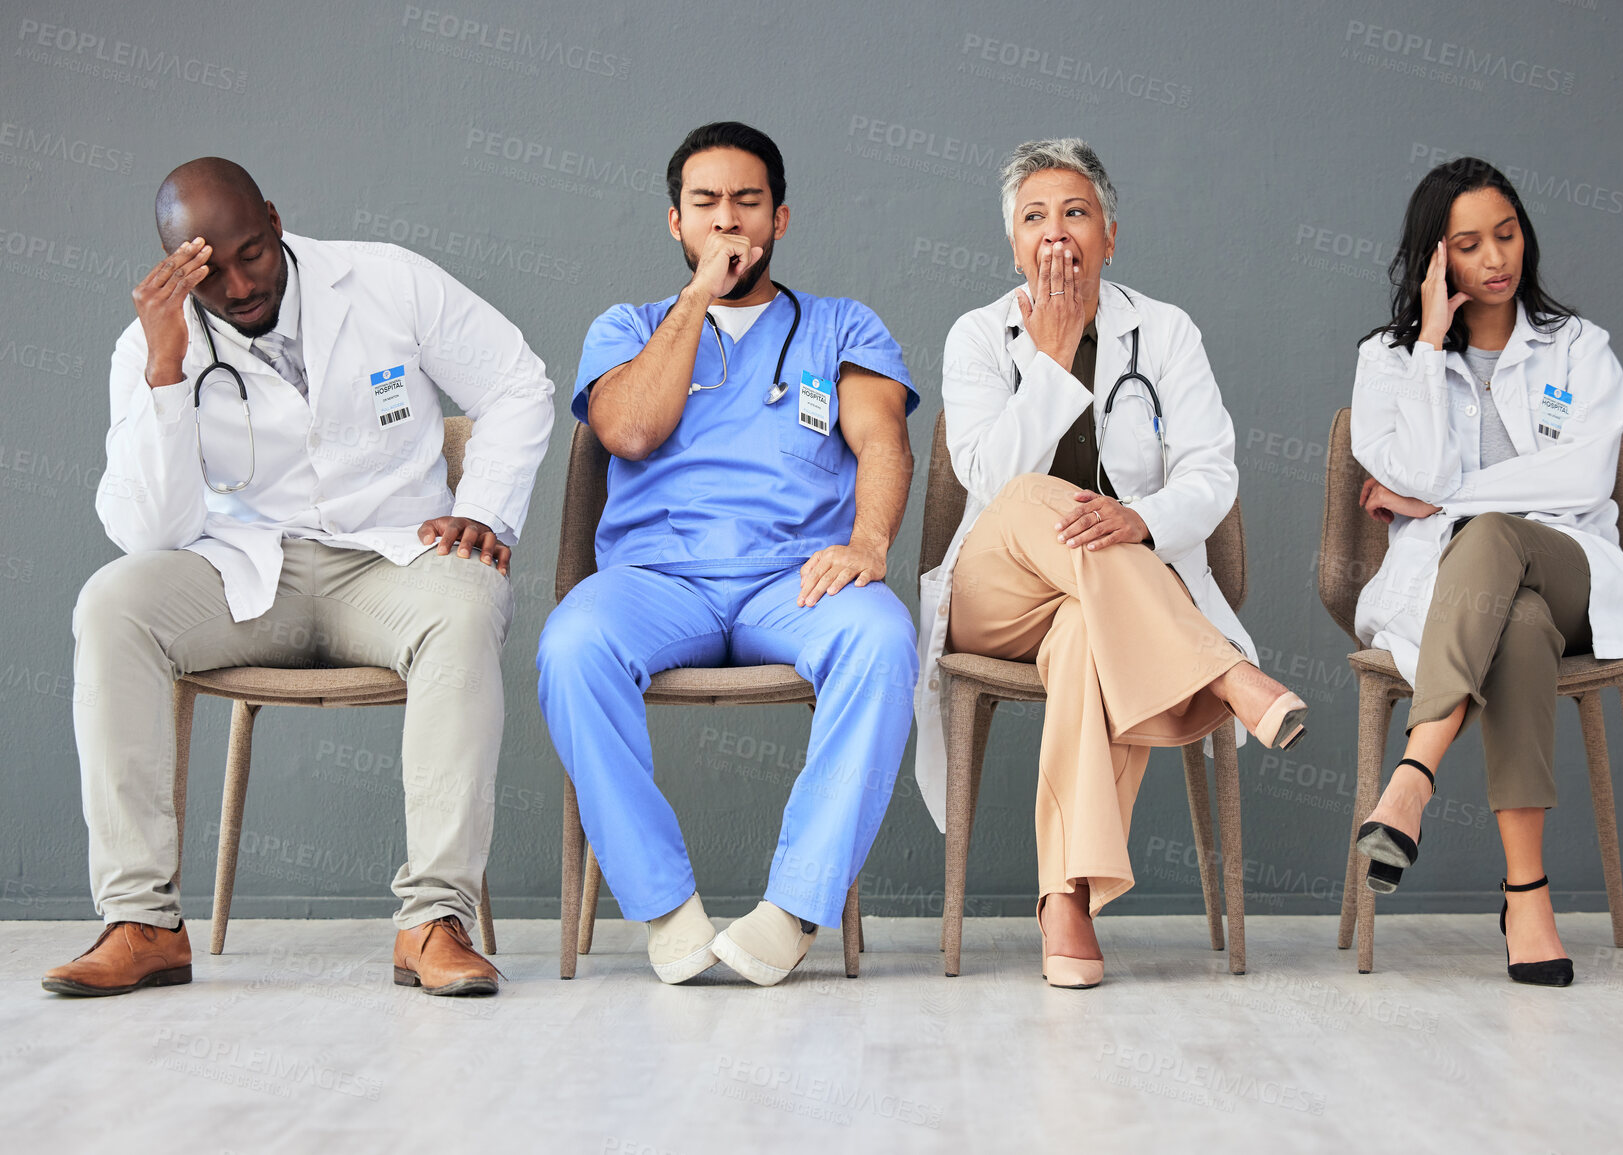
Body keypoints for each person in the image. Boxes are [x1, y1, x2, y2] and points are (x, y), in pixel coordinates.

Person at [43, 158, 554, 999]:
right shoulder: (149, 346)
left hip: (391, 561)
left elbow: (515, 381)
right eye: (212, 270)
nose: (241, 285)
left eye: (253, 253)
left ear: (275, 221)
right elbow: (150, 534)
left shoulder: (386, 280)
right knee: (111, 603)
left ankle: (433, 920)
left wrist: (486, 510)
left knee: (467, 603)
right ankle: (142, 922)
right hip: (248, 572)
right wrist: (166, 370)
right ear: (175, 265)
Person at [915, 139, 1308, 989]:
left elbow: (1211, 473)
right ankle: (1229, 673)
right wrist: (1050, 358)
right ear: (1013, 246)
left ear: (1110, 234)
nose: (1055, 232)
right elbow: (984, 475)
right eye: (1034, 218)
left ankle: (1066, 901)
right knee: (1028, 498)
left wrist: (1141, 517)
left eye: (1075, 212)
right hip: (997, 592)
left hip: (1105, 602)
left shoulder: (1164, 331)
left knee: (1095, 633)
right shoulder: (981, 335)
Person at [536, 122, 919, 987]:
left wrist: (867, 541)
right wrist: (698, 300)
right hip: (656, 581)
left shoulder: (839, 325)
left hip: (797, 578)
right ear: (675, 222)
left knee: (884, 638)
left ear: (779, 217)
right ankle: (666, 907)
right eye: (705, 204)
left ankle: (794, 907)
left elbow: (882, 438)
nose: (727, 222)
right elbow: (628, 428)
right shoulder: (627, 325)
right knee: (569, 644)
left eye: (747, 203)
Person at [1349, 157, 1623, 986]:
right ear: (1433, 260)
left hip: (1578, 579)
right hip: (1474, 604)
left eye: (1506, 233)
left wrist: (1440, 501)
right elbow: (1410, 459)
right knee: (1513, 623)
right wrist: (1425, 343)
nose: (1495, 258)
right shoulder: (1385, 363)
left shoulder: (1579, 349)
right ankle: (1526, 895)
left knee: (1490, 535)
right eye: (1468, 244)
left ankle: (1412, 776)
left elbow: (1580, 481)